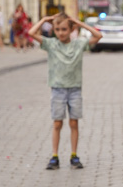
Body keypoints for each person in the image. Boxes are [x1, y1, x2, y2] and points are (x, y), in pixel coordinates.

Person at [28, 13, 102, 170]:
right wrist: (44, 20)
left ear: (71, 30)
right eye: (57, 29)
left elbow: (98, 35)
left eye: (64, 29)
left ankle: (74, 155)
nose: (60, 33)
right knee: (57, 123)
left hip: (74, 89)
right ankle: (54, 156)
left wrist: (79, 23)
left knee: (74, 122)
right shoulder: (51, 44)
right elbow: (31, 33)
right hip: (58, 89)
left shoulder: (79, 44)